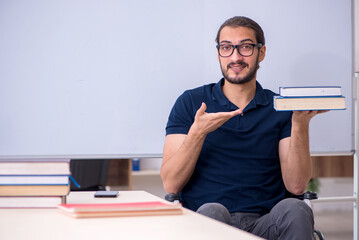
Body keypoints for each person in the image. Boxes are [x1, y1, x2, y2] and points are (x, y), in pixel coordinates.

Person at [160, 16, 327, 240]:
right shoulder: (191, 102)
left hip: (266, 222)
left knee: (296, 209)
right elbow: (171, 183)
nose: (235, 57)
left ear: (262, 52)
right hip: (208, 221)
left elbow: (296, 186)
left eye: (245, 47)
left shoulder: (282, 106)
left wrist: (300, 123)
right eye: (226, 48)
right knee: (213, 211)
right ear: (218, 53)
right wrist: (198, 132)